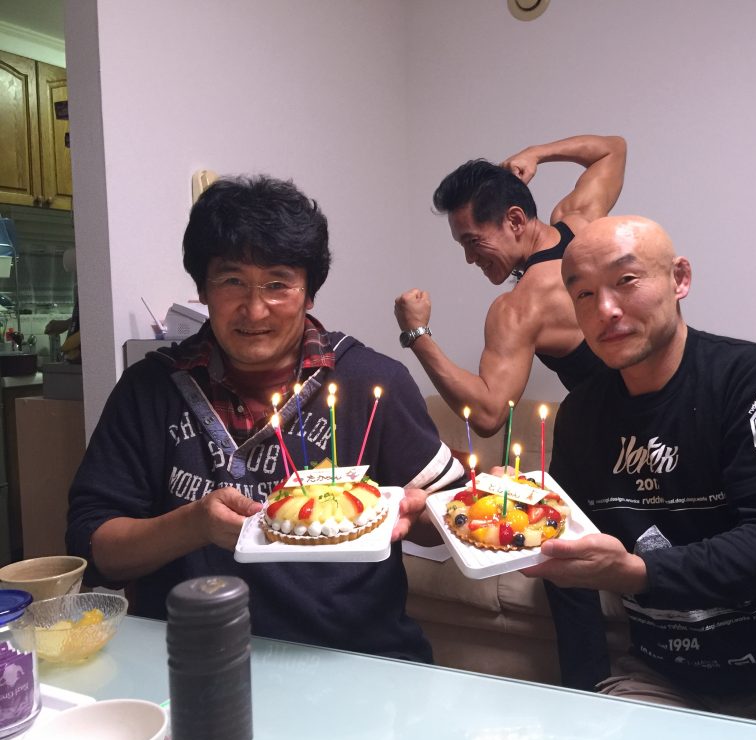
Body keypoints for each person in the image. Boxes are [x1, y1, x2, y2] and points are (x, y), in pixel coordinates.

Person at [522, 215, 756, 740]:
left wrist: (637, 572)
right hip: (664, 679)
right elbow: (569, 566)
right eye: (584, 294)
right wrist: (586, 694)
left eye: (625, 280)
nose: (605, 309)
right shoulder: (582, 416)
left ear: (679, 279)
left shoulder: (755, 379)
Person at [66, 175, 464, 662]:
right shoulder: (149, 389)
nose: (255, 310)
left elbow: (445, 517)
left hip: (354, 661)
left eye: (278, 284)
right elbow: (94, 550)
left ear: (309, 292)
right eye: (231, 281)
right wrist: (193, 525)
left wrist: (421, 513)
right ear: (202, 289)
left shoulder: (371, 382)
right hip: (192, 663)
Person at [394, 134, 626, 436]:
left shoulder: (521, 307)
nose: (469, 258)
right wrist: (537, 153)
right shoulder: (580, 222)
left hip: (623, 440)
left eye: (474, 241)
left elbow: (489, 415)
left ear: (515, 220)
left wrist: (416, 334)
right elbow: (612, 150)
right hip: (673, 397)